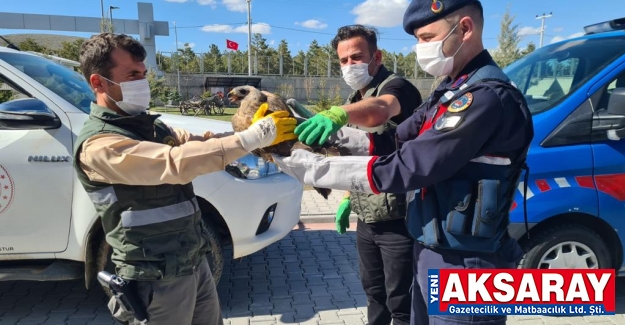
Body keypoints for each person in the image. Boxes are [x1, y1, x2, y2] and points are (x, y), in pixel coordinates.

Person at [272, 1, 534, 324]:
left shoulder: (485, 98)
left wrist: (314, 169)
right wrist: (334, 138)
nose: (420, 49)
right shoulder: (449, 91)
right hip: (430, 250)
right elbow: (394, 141)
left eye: (427, 37)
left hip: (468, 263)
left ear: (465, 29)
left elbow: (410, 164)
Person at [73, 33, 296, 325]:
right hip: (154, 278)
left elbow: (198, 142)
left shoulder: (149, 126)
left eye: (142, 74)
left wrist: (254, 138)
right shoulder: (100, 145)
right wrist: (251, 138)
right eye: (131, 75)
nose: (142, 82)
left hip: (194, 262)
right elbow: (174, 163)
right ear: (98, 83)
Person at [310, 24, 422, 325]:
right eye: (344, 60)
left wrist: (342, 114)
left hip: (400, 218)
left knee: (401, 300)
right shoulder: (353, 96)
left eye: (357, 57)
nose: (350, 65)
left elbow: (381, 110)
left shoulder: (397, 88)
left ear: (377, 57)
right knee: (373, 293)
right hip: (368, 217)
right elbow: (357, 157)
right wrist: (348, 197)